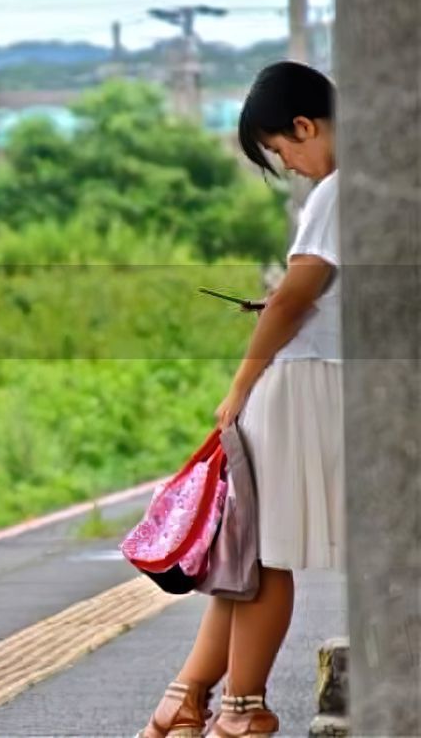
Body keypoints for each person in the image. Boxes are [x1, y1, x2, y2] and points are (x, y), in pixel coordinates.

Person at [140, 61, 343, 738]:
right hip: (304, 378)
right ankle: (201, 698)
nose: (291, 166)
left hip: (296, 384)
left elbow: (295, 294)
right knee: (249, 551)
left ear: (306, 126)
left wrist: (238, 382)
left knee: (257, 553)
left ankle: (230, 705)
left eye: (283, 152)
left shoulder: (340, 190)